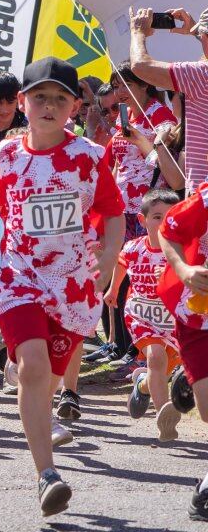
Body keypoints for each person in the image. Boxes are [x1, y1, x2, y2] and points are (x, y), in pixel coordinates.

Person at [0, 57, 124, 518]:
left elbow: (114, 213)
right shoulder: (5, 156)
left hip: (73, 285)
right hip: (16, 275)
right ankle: (47, 473)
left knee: (48, 379)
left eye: (60, 98)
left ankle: (13, 341)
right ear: (23, 103)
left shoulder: (90, 157)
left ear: (75, 106)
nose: (49, 106)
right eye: (40, 97)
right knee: (35, 367)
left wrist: (109, 256)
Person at [107, 188, 181, 440]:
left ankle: (142, 384)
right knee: (156, 356)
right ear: (143, 220)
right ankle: (164, 415)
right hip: (141, 312)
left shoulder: (183, 251)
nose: (164, 223)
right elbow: (120, 263)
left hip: (172, 319)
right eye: (157, 217)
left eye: (171, 217)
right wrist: (113, 289)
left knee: (162, 368)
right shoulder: (134, 247)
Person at [156, 178, 208, 521]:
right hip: (200, 316)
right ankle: (184, 378)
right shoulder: (206, 198)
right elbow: (168, 228)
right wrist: (183, 268)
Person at [128, 7, 208, 185]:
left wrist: (137, 32)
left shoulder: (202, 74)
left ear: (204, 37)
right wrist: (196, 31)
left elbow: (140, 66)